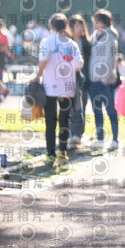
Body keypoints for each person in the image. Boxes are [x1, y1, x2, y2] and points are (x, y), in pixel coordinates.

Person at [33, 13, 83, 166]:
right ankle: (62, 152)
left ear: (51, 26)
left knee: (50, 121)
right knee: (64, 120)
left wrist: (38, 76)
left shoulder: (47, 42)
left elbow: (43, 60)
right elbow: (78, 65)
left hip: (50, 86)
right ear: (65, 26)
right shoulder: (71, 44)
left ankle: (50, 154)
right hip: (67, 87)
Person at [89, 9, 119, 151]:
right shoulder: (95, 35)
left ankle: (115, 139)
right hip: (94, 79)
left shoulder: (110, 36)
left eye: (96, 21)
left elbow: (110, 58)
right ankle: (100, 138)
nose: (94, 24)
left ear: (103, 22)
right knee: (97, 111)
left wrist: (106, 77)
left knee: (110, 110)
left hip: (105, 80)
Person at [67, 14, 91, 149]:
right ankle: (71, 133)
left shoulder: (86, 43)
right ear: (70, 27)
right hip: (69, 79)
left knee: (82, 105)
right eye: (77, 26)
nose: (80, 28)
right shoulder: (67, 42)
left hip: (84, 79)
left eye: (81, 25)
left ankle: (78, 134)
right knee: (69, 107)